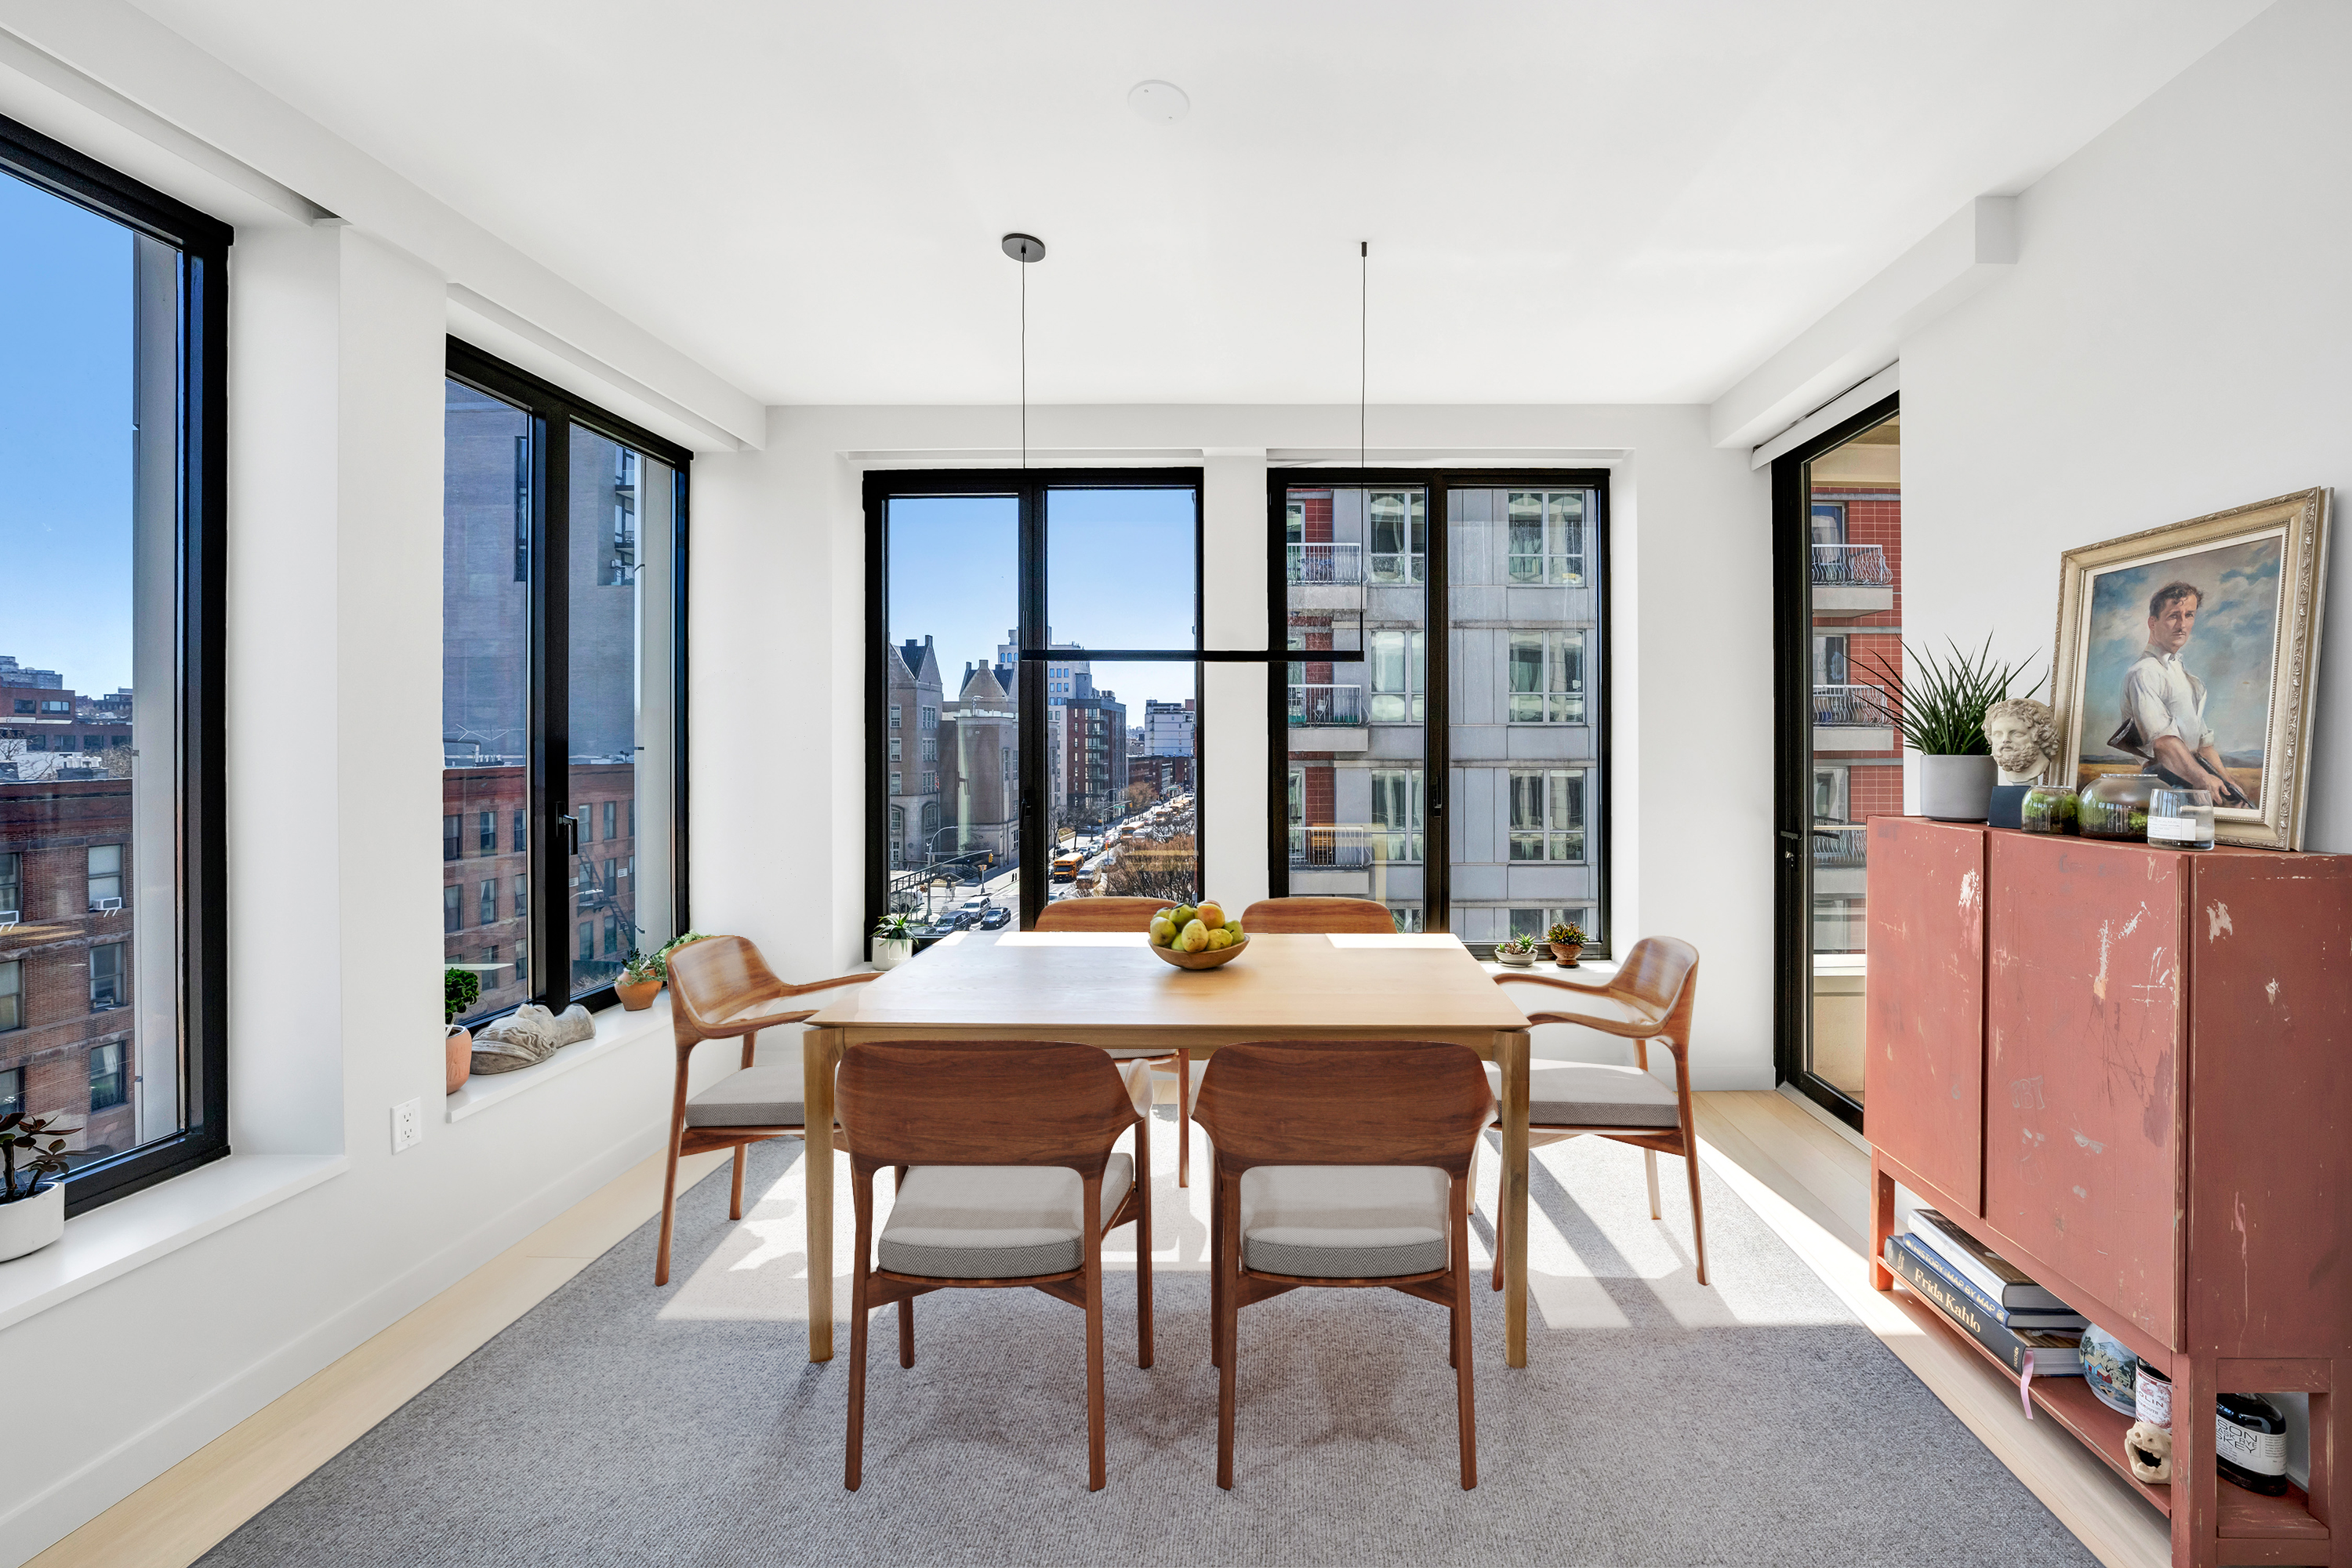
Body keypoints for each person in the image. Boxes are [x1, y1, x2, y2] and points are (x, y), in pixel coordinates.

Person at [2107, 582, 2253, 805]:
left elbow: (2203, 744)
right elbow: (2163, 742)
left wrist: (2227, 781)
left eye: (2189, 615)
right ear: (2152, 623)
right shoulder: (2144, 672)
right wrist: (2204, 778)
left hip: (2194, 781)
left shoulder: (2189, 679)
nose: (2182, 625)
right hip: (2165, 786)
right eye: (2174, 616)